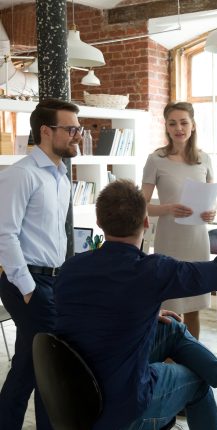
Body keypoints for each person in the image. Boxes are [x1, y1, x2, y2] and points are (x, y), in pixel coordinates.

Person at [54, 179, 217, 430]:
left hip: (77, 393)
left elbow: (89, 316)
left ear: (99, 223)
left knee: (170, 328)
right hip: (122, 408)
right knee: (198, 379)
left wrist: (145, 313)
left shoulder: (70, 269)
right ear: (146, 221)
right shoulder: (151, 271)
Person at [0, 98, 82, 430]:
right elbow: (4, 234)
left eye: (77, 128)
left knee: (32, 364)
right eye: (71, 129)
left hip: (52, 281)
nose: (77, 135)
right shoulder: (21, 174)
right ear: (46, 131)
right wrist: (29, 287)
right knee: (48, 362)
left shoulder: (61, 177)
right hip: (28, 281)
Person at [142, 101, 216, 339]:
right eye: (172, 123)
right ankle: (170, 359)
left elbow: (212, 199)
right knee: (171, 306)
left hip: (197, 239)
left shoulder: (204, 159)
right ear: (166, 127)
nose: (178, 128)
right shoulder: (156, 160)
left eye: (184, 122)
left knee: (194, 306)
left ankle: (193, 360)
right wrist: (167, 208)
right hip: (169, 241)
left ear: (193, 126)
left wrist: (212, 211)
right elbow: (141, 206)